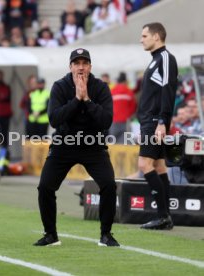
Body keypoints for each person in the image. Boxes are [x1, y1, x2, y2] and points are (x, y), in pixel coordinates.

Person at [34, 48, 119, 247]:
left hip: (93, 145)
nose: (81, 67)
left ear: (90, 66)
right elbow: (55, 119)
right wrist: (77, 100)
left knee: (109, 185)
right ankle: (50, 235)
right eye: (76, 63)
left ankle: (106, 234)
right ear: (70, 66)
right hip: (65, 144)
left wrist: (87, 99)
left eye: (84, 63)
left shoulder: (100, 88)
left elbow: (106, 121)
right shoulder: (60, 86)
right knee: (45, 186)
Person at [137, 22, 178, 230]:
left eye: (144, 36)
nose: (141, 39)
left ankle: (162, 215)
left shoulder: (165, 58)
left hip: (155, 122)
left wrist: (162, 121)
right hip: (149, 122)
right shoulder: (155, 61)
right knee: (160, 167)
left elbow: (168, 90)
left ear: (156, 37)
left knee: (144, 165)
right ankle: (166, 217)